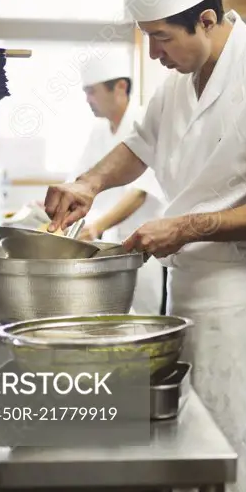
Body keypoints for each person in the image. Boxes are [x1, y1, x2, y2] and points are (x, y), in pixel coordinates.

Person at [43, 0, 246, 492]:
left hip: (240, 305)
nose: (153, 52)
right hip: (186, 298)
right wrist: (89, 183)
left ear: (207, 20)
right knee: (189, 462)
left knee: (234, 465)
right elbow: (137, 148)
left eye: (161, 37)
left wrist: (185, 227)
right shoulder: (178, 82)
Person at [70, 51, 167, 315]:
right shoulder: (100, 129)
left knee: (140, 328)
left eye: (92, 91)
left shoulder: (144, 122)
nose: (87, 99)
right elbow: (80, 179)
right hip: (104, 243)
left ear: (120, 87)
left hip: (140, 246)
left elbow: (140, 193)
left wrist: (97, 226)